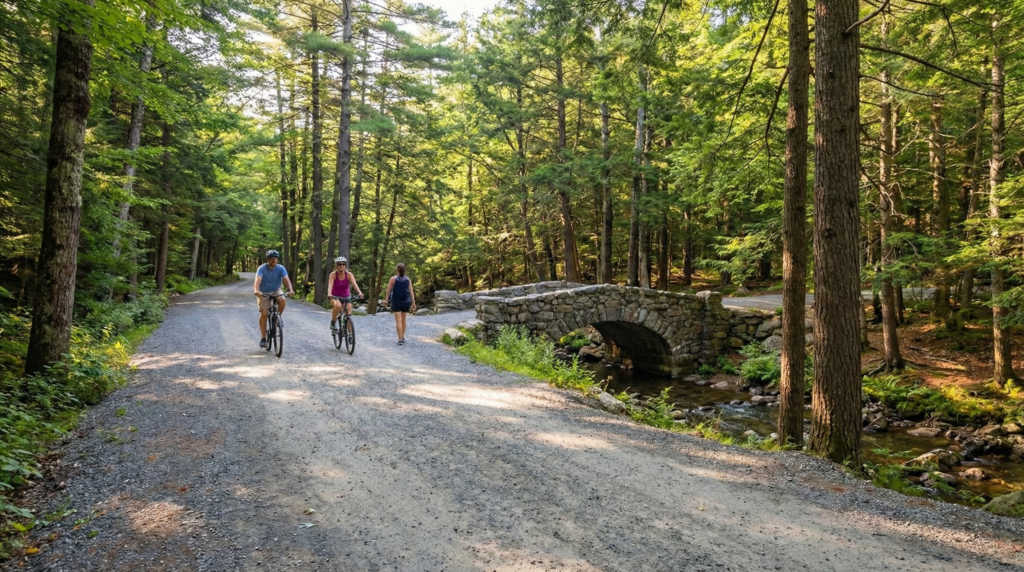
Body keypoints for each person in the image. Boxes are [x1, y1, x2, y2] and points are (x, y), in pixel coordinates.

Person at [254, 250, 294, 348]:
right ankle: (263, 338)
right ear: (267, 259)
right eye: (271, 259)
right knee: (264, 313)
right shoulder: (262, 268)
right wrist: (256, 291)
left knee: (282, 299)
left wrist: (290, 289)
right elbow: (257, 280)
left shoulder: (280, 268)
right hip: (263, 292)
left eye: (275, 258)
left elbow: (286, 279)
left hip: (276, 290)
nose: (274, 260)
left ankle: (277, 317)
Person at [328, 256, 364, 330]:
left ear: (345, 265)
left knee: (348, 314)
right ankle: (333, 322)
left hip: (346, 296)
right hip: (335, 296)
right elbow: (330, 285)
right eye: (340, 264)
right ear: (337, 265)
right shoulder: (333, 274)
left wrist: (360, 293)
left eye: (343, 264)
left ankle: (350, 334)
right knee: (338, 306)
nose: (342, 266)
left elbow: (354, 284)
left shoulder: (349, 274)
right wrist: (329, 294)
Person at [385, 263, 416, 344]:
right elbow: (411, 291)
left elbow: (388, 290)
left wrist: (386, 300)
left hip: (396, 301)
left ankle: (400, 339)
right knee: (403, 319)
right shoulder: (408, 279)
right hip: (406, 301)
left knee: (398, 321)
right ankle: (402, 336)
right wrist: (413, 303)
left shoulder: (393, 279)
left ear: (397, 269)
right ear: (404, 270)